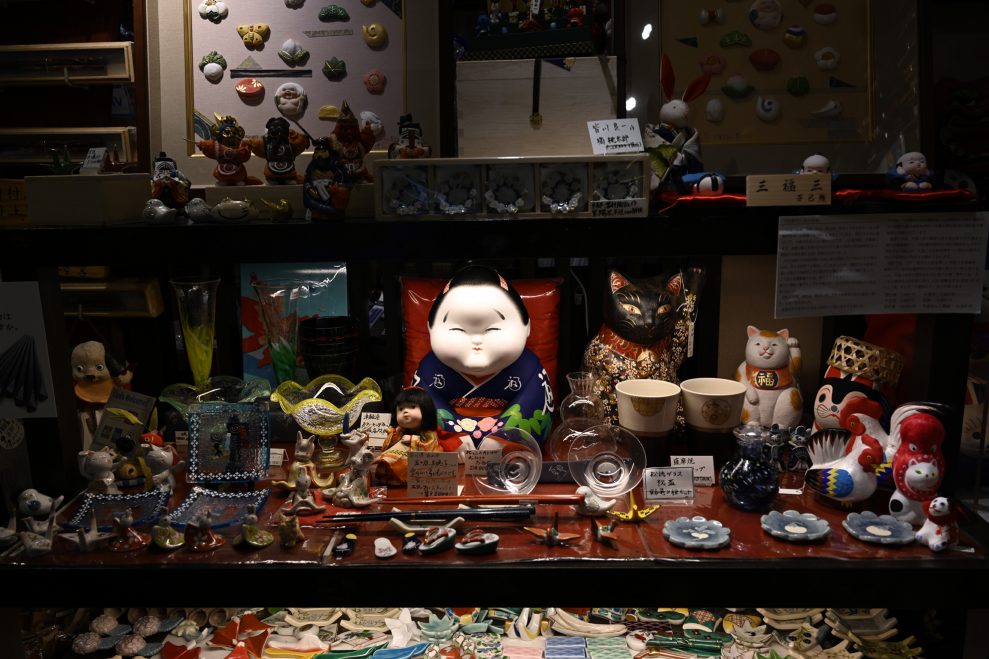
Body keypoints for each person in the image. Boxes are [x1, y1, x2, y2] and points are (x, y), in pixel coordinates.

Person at [412, 265, 554, 446]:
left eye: (492, 329)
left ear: (527, 326)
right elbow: (418, 411)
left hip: (506, 451)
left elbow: (535, 408)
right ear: (430, 328)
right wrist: (453, 440)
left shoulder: (529, 369)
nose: (477, 340)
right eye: (458, 329)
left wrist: (501, 439)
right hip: (449, 450)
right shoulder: (429, 369)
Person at [372, 386, 448, 485]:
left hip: (424, 467)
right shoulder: (401, 431)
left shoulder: (429, 434)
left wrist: (412, 440)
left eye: (412, 407)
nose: (405, 412)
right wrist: (395, 435)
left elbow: (429, 446)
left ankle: (398, 475)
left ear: (426, 410)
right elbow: (387, 446)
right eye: (401, 409)